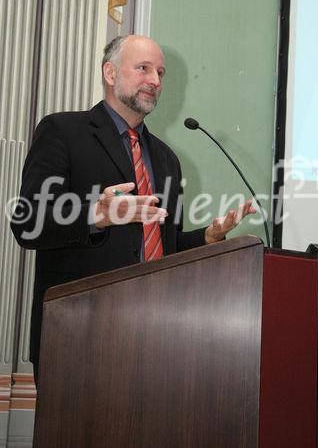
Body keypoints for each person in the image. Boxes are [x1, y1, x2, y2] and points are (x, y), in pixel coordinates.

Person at [11, 35, 256, 382]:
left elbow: (161, 249)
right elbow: (27, 222)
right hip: (77, 336)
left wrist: (208, 237)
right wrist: (98, 213)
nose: (155, 81)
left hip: (154, 337)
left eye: (160, 72)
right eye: (143, 68)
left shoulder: (167, 160)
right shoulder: (63, 131)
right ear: (110, 73)